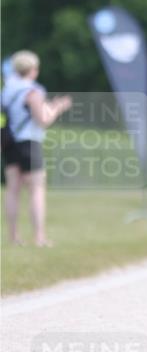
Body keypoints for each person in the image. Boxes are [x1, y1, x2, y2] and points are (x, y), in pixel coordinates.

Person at [1, 50, 71, 246]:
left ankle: (13, 237)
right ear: (33, 70)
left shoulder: (7, 91)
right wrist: (58, 108)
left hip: (9, 143)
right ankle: (39, 237)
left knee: (12, 190)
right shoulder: (33, 91)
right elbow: (42, 120)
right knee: (37, 190)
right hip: (29, 143)